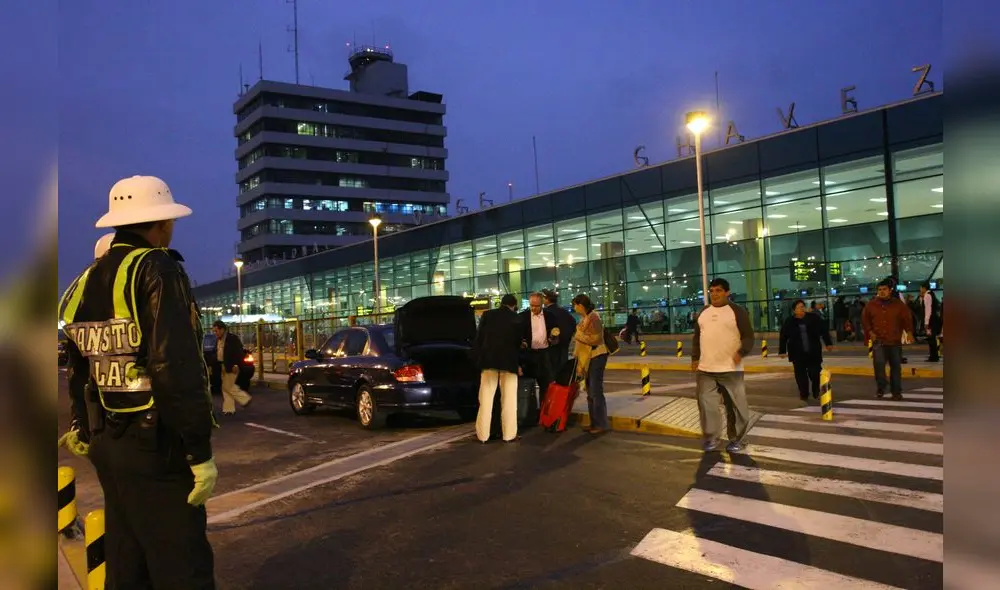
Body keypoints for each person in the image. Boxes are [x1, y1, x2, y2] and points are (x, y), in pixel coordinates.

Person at [58, 175, 218, 588]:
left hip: (107, 444)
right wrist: (198, 450)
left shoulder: (79, 284)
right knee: (182, 564)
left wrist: (80, 424)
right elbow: (174, 366)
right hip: (157, 446)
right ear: (161, 223)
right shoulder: (157, 268)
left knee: (127, 560)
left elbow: (77, 371)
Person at [691, 278, 755, 453]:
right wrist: (695, 358)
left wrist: (741, 353)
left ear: (727, 292)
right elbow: (697, 338)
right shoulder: (704, 312)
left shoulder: (737, 312)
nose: (714, 294)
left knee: (735, 408)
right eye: (712, 291)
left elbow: (748, 336)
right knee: (706, 406)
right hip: (706, 369)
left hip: (730, 369)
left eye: (718, 290)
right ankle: (712, 438)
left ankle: (737, 439)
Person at [473, 294, 523, 443]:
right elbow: (517, 344)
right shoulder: (516, 318)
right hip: (509, 363)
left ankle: (483, 435)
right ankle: (509, 435)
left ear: (501, 303)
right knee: (509, 400)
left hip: (488, 362)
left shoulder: (488, 315)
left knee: (486, 400)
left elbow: (479, 339)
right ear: (513, 305)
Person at [862, 278, 914, 400]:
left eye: (884, 289)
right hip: (878, 341)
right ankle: (881, 386)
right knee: (879, 366)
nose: (882, 292)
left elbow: (906, 318)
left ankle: (896, 392)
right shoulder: (871, 305)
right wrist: (870, 332)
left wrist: (909, 332)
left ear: (890, 290)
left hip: (894, 341)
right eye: (879, 290)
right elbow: (865, 320)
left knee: (896, 367)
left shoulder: (898, 305)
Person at [778, 299, 834, 401]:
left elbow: (823, 330)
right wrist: (782, 350)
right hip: (797, 354)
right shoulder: (789, 321)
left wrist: (828, 343)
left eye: (803, 306)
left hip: (813, 352)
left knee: (815, 373)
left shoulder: (813, 318)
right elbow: (783, 336)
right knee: (800, 376)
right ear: (794, 310)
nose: (802, 309)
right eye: (799, 307)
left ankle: (816, 390)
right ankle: (804, 393)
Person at [571, 294, 609, 435]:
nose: (574, 308)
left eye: (575, 305)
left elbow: (597, 339)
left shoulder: (594, 317)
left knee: (595, 391)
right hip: (588, 358)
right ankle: (594, 423)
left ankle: (601, 424)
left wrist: (578, 335)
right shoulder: (585, 319)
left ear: (581, 305)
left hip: (597, 356)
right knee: (590, 391)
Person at [519, 292, 558, 403]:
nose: (533, 308)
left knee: (546, 385)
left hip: (545, 354)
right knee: (528, 386)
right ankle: (530, 413)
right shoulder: (522, 317)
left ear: (542, 304)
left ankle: (543, 414)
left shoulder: (550, 316)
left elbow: (556, 333)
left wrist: (553, 339)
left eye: (536, 306)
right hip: (528, 355)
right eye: (531, 305)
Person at [211, 320, 253, 415]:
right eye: (214, 331)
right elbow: (216, 352)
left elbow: (239, 353)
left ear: (222, 329)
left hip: (231, 366)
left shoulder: (232, 339)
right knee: (226, 388)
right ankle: (229, 409)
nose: (215, 333)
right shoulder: (218, 340)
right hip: (222, 366)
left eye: (216, 331)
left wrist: (237, 365)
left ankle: (245, 399)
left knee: (227, 386)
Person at [541, 289, 577, 368]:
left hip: (550, 347)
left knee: (551, 371)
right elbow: (573, 324)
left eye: (543, 298)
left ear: (547, 299)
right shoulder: (564, 312)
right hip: (564, 346)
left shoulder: (544, 313)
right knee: (562, 369)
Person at [919, 282, 942, 362]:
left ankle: (934, 356)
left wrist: (926, 322)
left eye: (920, 288)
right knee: (931, 339)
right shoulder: (930, 294)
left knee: (931, 339)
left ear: (923, 288)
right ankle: (934, 356)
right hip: (933, 320)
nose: (920, 290)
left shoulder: (927, 295)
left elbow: (928, 309)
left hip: (931, 321)